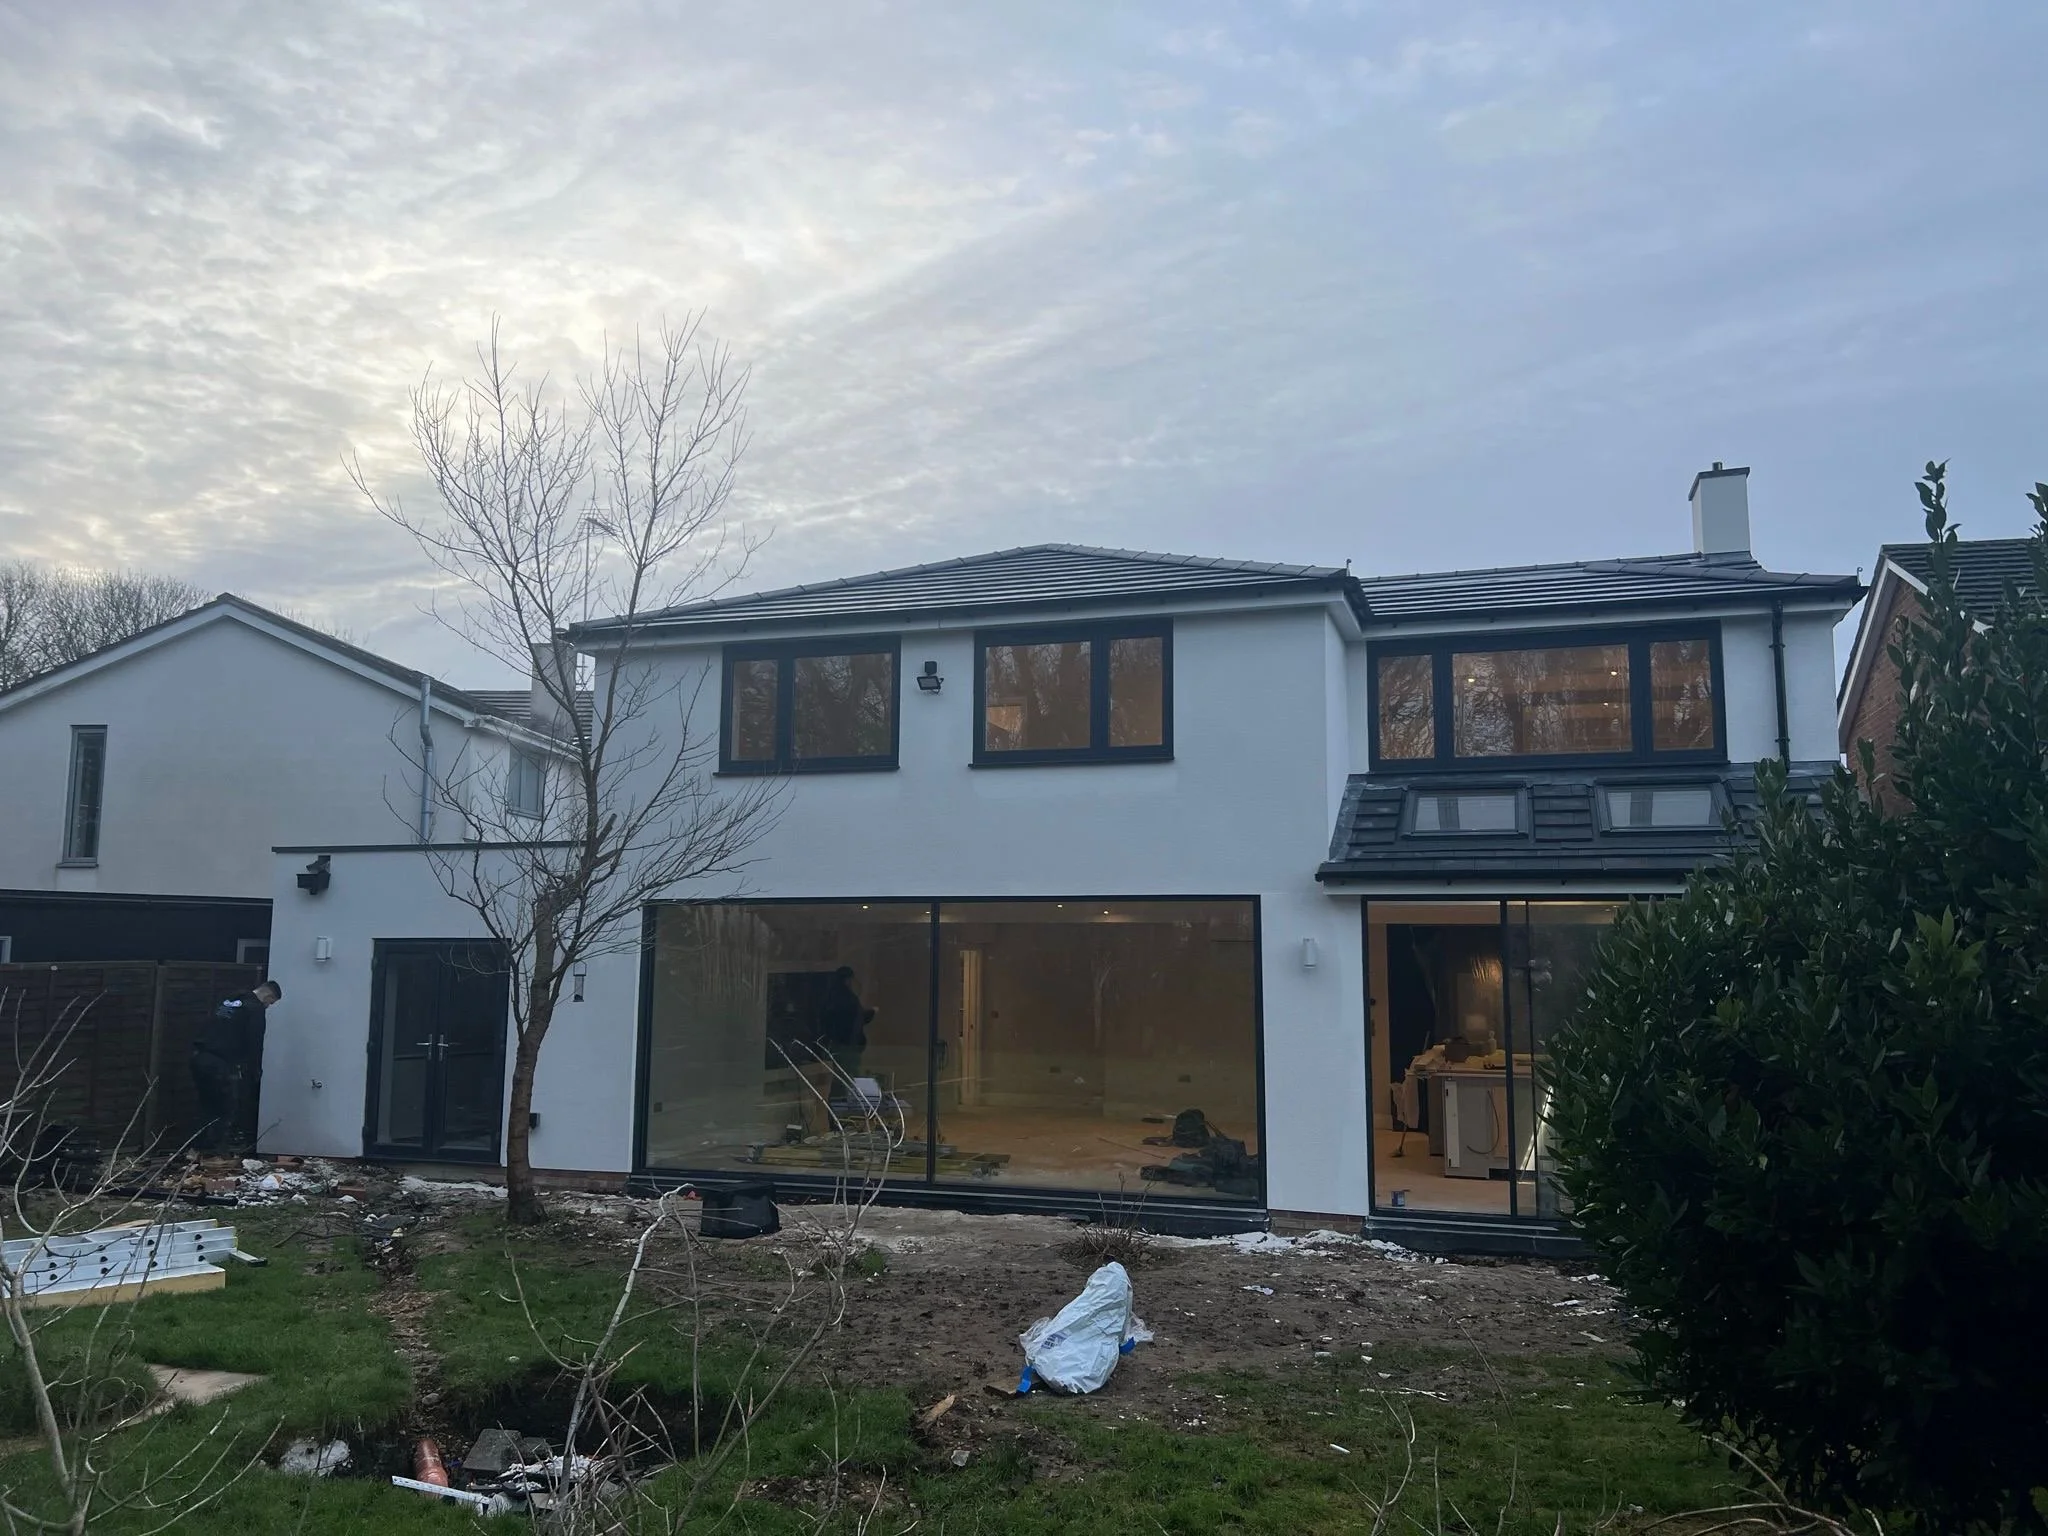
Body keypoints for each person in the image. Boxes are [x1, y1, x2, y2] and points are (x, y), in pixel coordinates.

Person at [192, 979, 280, 1153]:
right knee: (226, 1108)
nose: (268, 1006)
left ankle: (197, 1149)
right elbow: (255, 1043)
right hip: (221, 1063)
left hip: (199, 1057)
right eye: (270, 1003)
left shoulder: (229, 1001)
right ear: (268, 995)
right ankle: (213, 1154)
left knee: (206, 1106)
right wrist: (255, 1071)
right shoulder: (255, 1010)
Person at [816, 966, 875, 1083]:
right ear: (847, 980)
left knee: (840, 1077)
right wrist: (872, 1012)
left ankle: (837, 1099)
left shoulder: (830, 997)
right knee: (848, 1078)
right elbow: (856, 1018)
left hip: (836, 1045)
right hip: (848, 1045)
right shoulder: (847, 998)